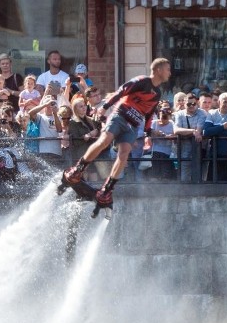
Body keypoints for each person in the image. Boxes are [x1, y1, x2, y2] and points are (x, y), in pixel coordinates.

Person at [59, 58, 171, 212]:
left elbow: (150, 113)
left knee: (124, 154)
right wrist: (104, 107)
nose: (169, 73)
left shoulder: (157, 93)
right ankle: (78, 169)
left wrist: (147, 131)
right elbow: (121, 92)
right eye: (167, 69)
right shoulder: (141, 81)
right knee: (105, 140)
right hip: (120, 115)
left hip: (133, 124)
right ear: (158, 70)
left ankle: (107, 189)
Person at [203, 92, 227, 181]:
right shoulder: (212, 113)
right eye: (225, 102)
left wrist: (215, 130)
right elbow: (206, 132)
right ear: (219, 102)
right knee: (212, 179)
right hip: (214, 152)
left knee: (226, 180)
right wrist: (222, 127)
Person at [172, 93, 206, 182]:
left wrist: (191, 132)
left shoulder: (202, 113)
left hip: (199, 148)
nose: (191, 106)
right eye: (188, 104)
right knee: (184, 175)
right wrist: (192, 131)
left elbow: (199, 130)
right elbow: (176, 130)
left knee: (199, 174)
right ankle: (184, 191)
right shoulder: (179, 114)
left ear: (197, 103)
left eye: (194, 104)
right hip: (184, 149)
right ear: (184, 103)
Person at [28, 94, 64, 165]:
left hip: (56, 151)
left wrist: (55, 114)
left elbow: (59, 129)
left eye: (52, 103)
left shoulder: (58, 117)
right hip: (43, 150)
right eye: (49, 103)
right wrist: (45, 105)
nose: (50, 105)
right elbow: (30, 113)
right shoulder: (40, 117)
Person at [148, 101, 176, 181]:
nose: (163, 120)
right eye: (162, 116)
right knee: (155, 170)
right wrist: (156, 133)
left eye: (166, 117)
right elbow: (148, 132)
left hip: (167, 151)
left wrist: (169, 136)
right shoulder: (154, 123)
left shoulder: (171, 123)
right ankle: (154, 182)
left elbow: (176, 134)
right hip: (155, 150)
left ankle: (165, 182)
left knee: (165, 170)